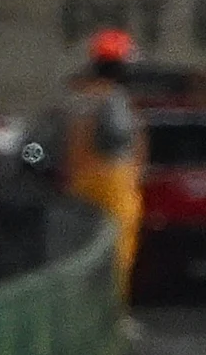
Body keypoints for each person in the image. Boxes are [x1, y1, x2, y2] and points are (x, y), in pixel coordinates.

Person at [61, 28, 145, 298]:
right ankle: (111, 308)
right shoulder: (111, 99)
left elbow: (39, 146)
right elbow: (118, 137)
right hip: (112, 185)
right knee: (115, 253)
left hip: (81, 184)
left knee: (84, 255)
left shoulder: (79, 97)